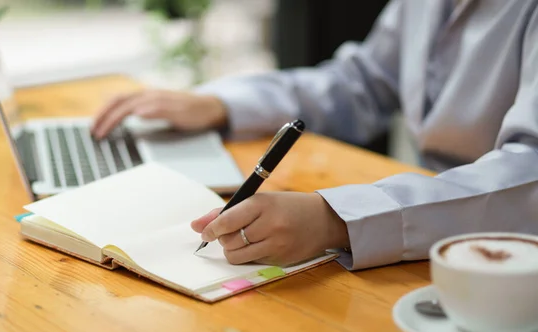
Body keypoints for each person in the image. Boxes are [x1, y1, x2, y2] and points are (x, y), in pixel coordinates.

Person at [90, 0, 538, 270]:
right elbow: (360, 83)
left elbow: (530, 173)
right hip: (432, 250)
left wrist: (339, 219)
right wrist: (224, 105)